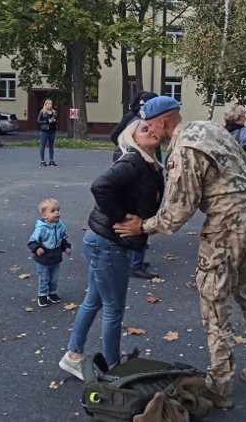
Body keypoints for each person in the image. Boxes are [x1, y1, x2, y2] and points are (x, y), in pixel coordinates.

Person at [113, 96, 246, 410]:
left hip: (226, 231)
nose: (146, 129)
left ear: (162, 121)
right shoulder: (210, 128)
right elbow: (245, 166)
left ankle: (220, 388)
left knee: (215, 308)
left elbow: (177, 212)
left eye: (148, 124)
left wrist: (143, 226)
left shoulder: (184, 149)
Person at [59, 119, 165, 380]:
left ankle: (73, 356)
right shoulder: (133, 162)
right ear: (133, 138)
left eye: (153, 128)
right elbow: (100, 186)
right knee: (113, 308)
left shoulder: (149, 164)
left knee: (94, 301)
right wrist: (122, 218)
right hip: (107, 243)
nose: (151, 131)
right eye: (144, 129)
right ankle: (113, 371)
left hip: (102, 241)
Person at [110, 91, 160, 279]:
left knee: (141, 216)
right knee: (139, 217)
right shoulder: (136, 122)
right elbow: (101, 188)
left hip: (144, 177)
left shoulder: (139, 123)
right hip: (138, 183)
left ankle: (134, 259)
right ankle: (134, 263)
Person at [27, 198, 72, 307]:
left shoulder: (60, 226)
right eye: (52, 211)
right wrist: (37, 248)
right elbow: (32, 241)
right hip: (43, 258)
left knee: (54, 277)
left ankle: (52, 293)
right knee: (44, 278)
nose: (57, 212)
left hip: (55, 257)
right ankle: (42, 296)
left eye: (58, 210)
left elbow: (62, 239)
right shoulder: (41, 228)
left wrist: (66, 247)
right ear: (44, 215)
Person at [37, 99, 58, 167]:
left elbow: (56, 120)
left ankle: (51, 160)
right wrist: (47, 121)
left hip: (52, 131)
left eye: (51, 104)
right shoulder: (42, 112)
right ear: (45, 105)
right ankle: (42, 161)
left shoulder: (54, 112)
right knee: (43, 145)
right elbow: (38, 121)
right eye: (48, 104)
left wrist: (54, 120)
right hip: (44, 131)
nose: (50, 105)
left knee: (51, 145)